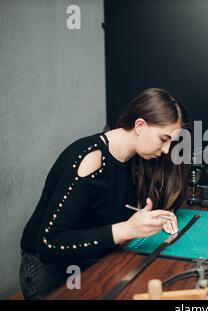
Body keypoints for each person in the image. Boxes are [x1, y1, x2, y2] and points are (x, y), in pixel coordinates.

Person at [19, 88, 190, 299]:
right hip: (49, 269)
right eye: (163, 139)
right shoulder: (90, 158)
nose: (166, 149)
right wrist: (126, 229)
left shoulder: (136, 158)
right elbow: (49, 244)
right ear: (140, 125)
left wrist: (155, 216)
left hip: (92, 258)